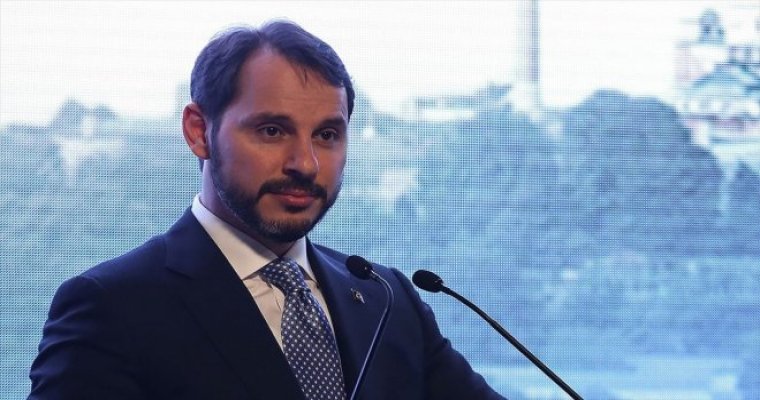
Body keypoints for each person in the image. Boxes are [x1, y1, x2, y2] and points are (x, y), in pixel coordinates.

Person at [28, 20, 506, 400]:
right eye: (272, 131)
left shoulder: (387, 298)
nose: (305, 163)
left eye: (327, 135)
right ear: (198, 131)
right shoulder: (113, 307)